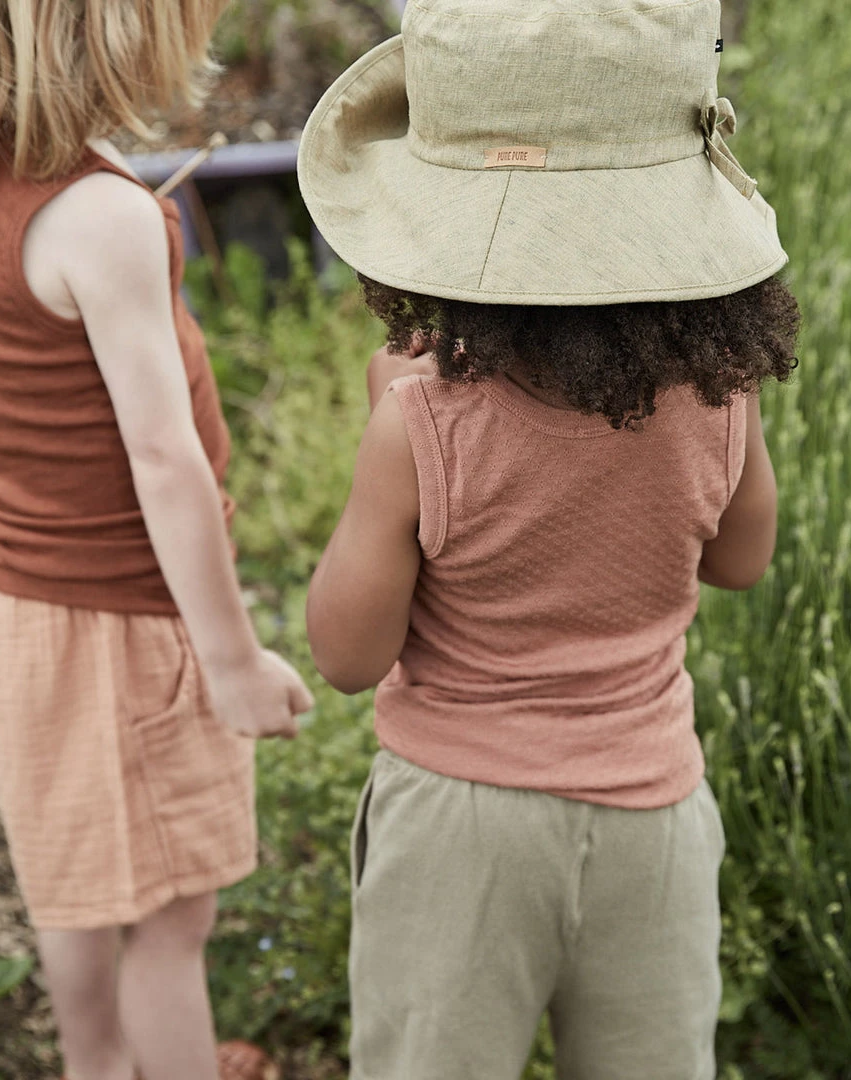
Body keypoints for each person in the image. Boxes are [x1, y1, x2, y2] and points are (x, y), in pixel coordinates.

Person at [300, 1, 801, 1077]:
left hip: (458, 834)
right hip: (655, 819)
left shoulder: (419, 423)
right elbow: (743, 559)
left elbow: (347, 656)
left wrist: (390, 443)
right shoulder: (721, 398)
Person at [0, 2, 314, 1078]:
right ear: (111, 42)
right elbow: (164, 460)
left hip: (6, 604)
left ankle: (100, 1063)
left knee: (78, 882)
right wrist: (230, 660)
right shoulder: (103, 217)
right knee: (170, 925)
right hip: (116, 632)